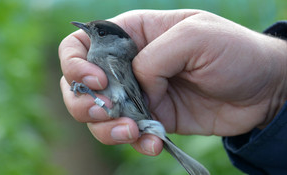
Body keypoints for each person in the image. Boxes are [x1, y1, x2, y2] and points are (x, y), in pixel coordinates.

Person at [58, 9, 287, 174]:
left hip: (132, 110)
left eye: (98, 33)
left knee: (107, 110)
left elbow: (118, 104)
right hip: (132, 111)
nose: (90, 33)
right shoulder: (101, 55)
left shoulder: (111, 58)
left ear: (113, 41)